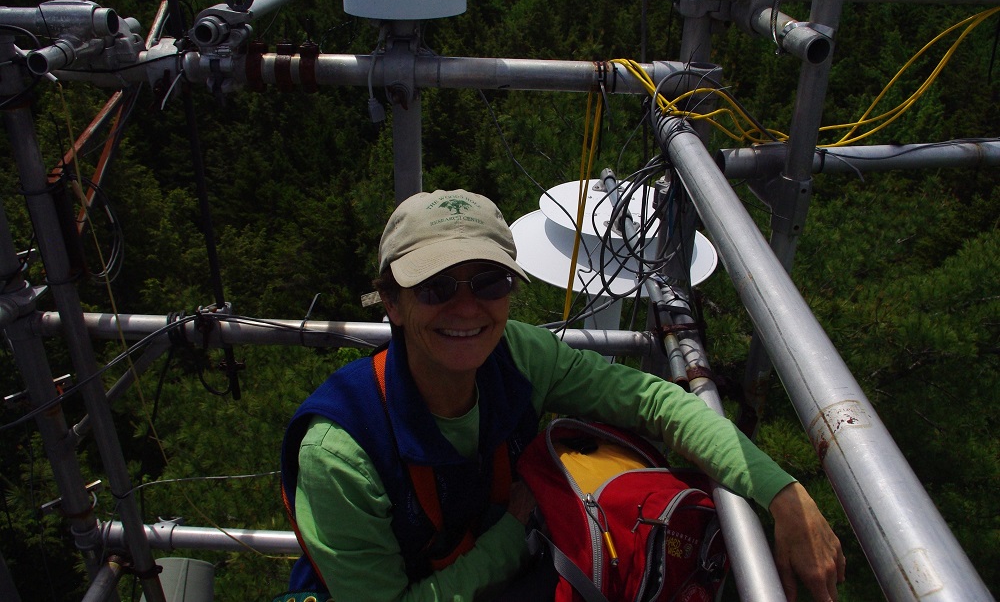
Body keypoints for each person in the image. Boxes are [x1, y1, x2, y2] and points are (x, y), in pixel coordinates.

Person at [280, 189, 846, 602]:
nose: (467, 307)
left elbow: (652, 402)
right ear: (392, 303)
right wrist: (512, 534)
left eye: (489, 281)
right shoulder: (341, 453)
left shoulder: (520, 356)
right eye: (435, 287)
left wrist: (783, 495)